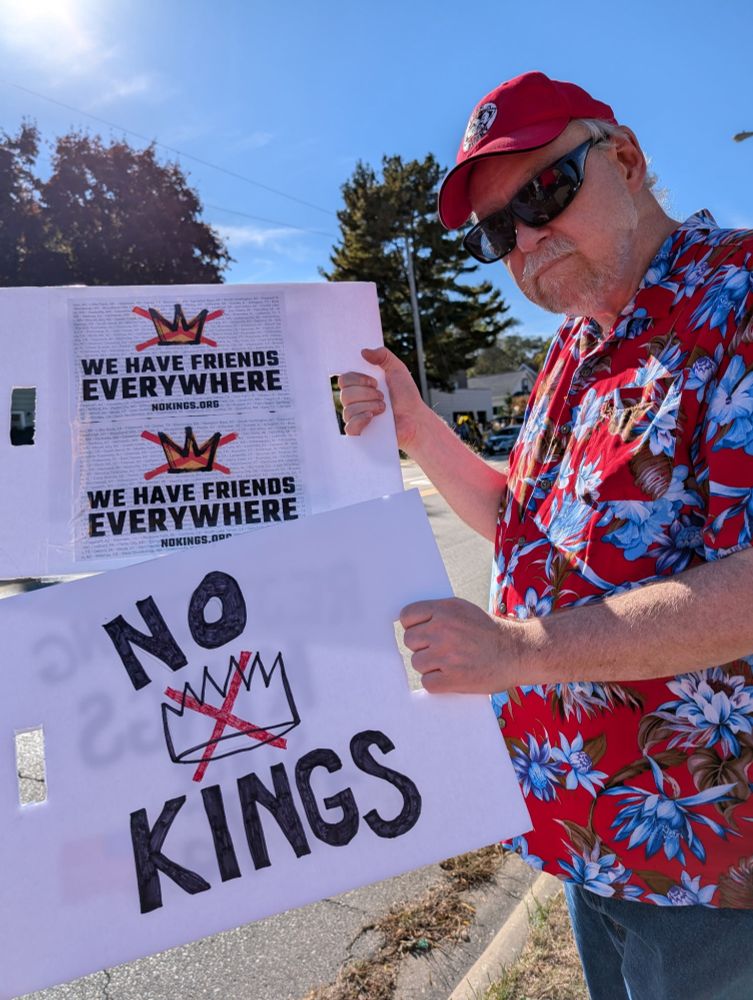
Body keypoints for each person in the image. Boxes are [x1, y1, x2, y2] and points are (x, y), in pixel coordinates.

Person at [338, 71, 753, 1000]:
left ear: (627, 159)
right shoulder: (573, 344)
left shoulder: (741, 298)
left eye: (542, 191)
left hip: (708, 866)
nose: (525, 238)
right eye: (498, 230)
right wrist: (416, 425)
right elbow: (526, 529)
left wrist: (519, 648)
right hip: (576, 835)